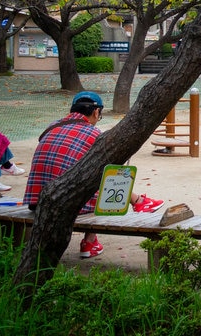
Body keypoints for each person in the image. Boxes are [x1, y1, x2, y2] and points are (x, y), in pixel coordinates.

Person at [23, 91, 163, 259]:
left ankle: (95, 237)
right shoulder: (93, 134)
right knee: (105, 178)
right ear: (96, 112)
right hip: (66, 204)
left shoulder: (52, 127)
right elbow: (112, 172)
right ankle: (137, 203)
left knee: (88, 178)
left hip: (36, 200)